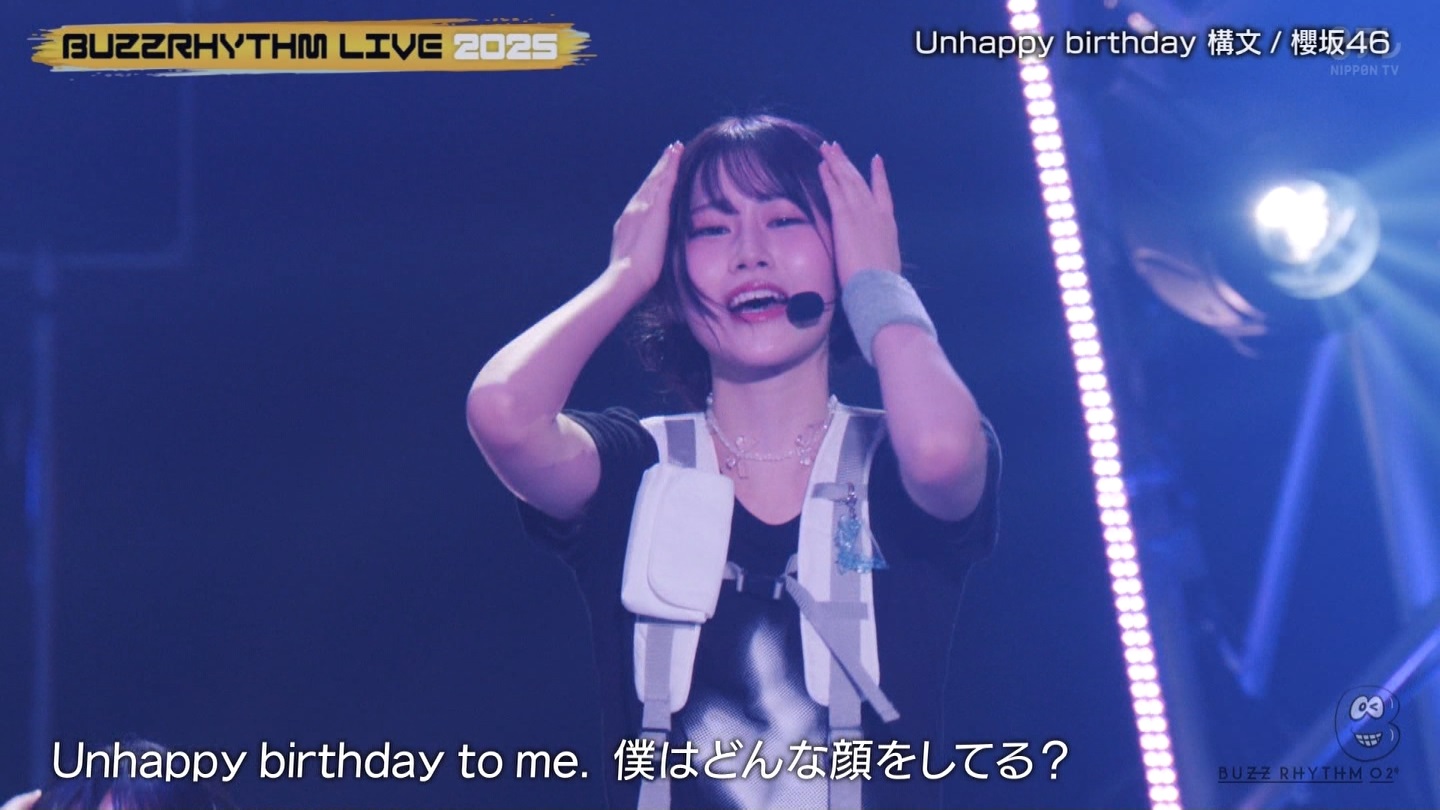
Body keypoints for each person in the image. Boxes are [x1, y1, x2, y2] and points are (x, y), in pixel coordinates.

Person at [467, 114, 1000, 809]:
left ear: (842, 251)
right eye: (712, 230)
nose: (750, 254)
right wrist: (626, 274)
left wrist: (878, 284)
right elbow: (503, 413)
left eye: (784, 221)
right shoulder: (638, 468)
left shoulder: (895, 459)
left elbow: (940, 453)